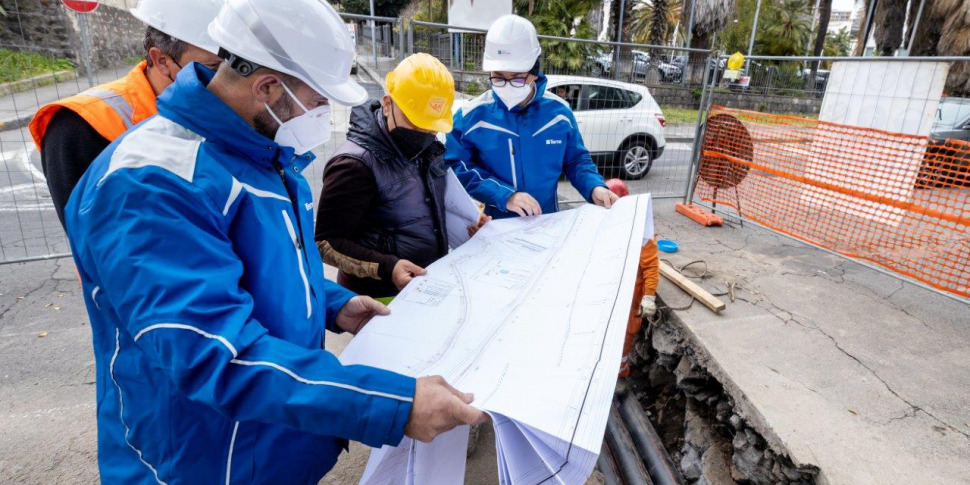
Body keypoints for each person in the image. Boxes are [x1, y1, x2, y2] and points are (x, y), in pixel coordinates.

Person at [63, 0, 483, 483]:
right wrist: (394, 403)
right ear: (268, 87)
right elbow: (215, 352)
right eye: (320, 98)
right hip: (201, 460)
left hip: (275, 440)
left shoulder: (268, 156)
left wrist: (336, 303)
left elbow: (264, 266)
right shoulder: (151, 185)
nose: (327, 113)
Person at [29, 0, 225, 229]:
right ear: (162, 60)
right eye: (213, 68)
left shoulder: (224, 107)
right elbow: (93, 236)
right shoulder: (79, 125)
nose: (228, 82)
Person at [315, 53, 489, 298]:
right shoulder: (354, 164)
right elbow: (326, 242)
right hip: (377, 296)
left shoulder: (429, 148)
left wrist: (470, 220)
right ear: (388, 105)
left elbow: (434, 204)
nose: (425, 132)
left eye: (432, 125)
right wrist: (387, 267)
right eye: (416, 122)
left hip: (426, 286)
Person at [445, 14, 619, 219]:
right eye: (498, 78)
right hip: (494, 227)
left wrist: (594, 188)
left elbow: (576, 161)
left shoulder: (559, 114)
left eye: (517, 79)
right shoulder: (470, 117)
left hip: (546, 222)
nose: (507, 86)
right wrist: (504, 195)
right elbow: (456, 166)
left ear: (534, 72)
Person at [605, 179, 660, 378]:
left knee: (625, 334)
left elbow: (651, 267)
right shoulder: (604, 222)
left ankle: (619, 374)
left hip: (629, 293)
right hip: (607, 288)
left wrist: (649, 296)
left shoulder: (642, 233)